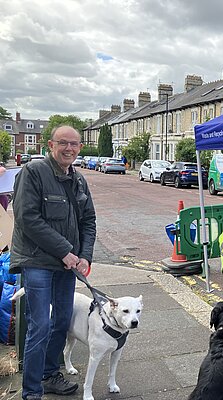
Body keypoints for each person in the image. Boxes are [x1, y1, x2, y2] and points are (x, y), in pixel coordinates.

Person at [10, 125, 97, 400]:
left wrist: (85, 255)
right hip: (36, 260)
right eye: (63, 143)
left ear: (80, 147)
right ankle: (31, 391)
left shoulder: (79, 180)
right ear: (50, 145)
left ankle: (49, 375)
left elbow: (88, 221)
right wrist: (65, 251)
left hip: (67, 264)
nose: (69, 149)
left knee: (61, 320)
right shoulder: (33, 173)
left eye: (74, 144)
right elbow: (27, 218)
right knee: (41, 324)